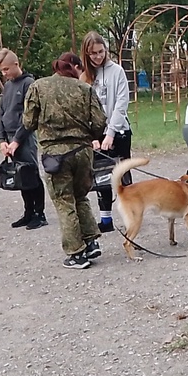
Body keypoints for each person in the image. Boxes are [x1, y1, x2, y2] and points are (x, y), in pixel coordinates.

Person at [23, 52, 108, 270]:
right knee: (80, 196)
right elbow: (100, 121)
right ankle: (91, 241)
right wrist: (90, 136)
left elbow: (28, 122)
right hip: (83, 151)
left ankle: (76, 253)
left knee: (64, 201)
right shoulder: (85, 89)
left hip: (56, 154)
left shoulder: (38, 87)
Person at [80, 32, 131, 232]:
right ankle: (106, 219)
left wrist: (111, 133)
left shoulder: (117, 71)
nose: (98, 56)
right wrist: (92, 136)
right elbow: (84, 109)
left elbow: (121, 103)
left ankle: (130, 215)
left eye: (101, 51)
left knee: (122, 174)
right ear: (87, 54)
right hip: (96, 134)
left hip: (118, 131)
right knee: (101, 175)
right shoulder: (84, 77)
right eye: (93, 53)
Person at [0, 48, 46, 230]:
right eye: (2, 70)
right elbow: (2, 113)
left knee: (31, 173)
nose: (4, 73)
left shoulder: (29, 84)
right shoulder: (8, 86)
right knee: (20, 176)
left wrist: (17, 140)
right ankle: (28, 212)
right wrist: (2, 140)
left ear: (16, 64)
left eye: (6, 69)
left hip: (24, 137)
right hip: (9, 137)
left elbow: (29, 116)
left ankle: (39, 214)